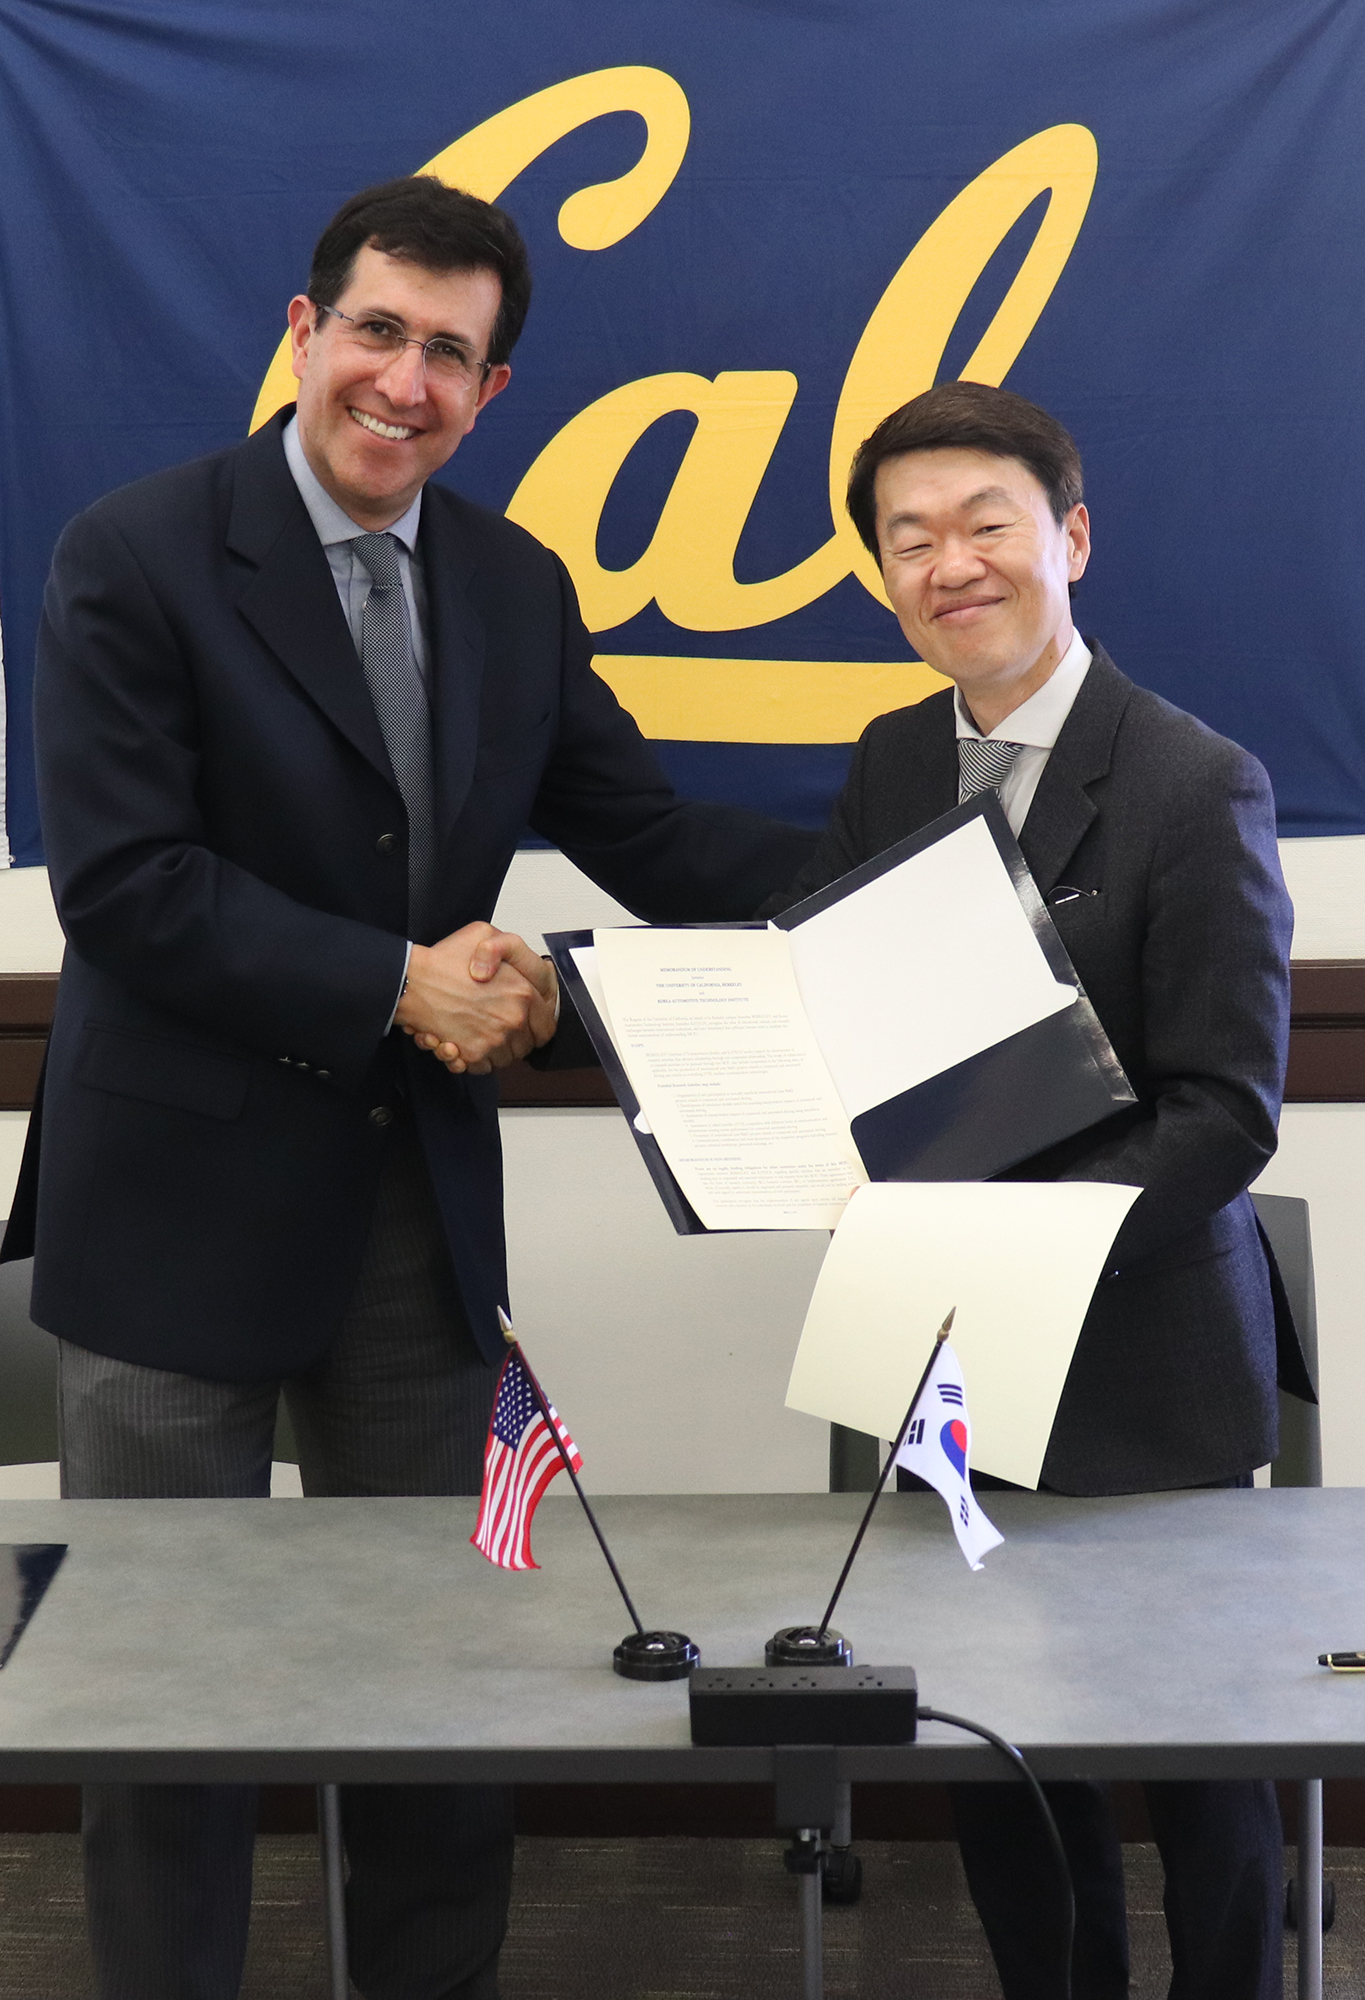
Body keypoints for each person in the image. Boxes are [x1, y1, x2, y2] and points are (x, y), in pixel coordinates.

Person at [0, 176, 813, 2000]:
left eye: (452, 354)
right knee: (158, 1697)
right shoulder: (128, 552)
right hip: (170, 1223)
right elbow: (123, 885)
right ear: (303, 335)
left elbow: (650, 830)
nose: (406, 380)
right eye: (377, 331)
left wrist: (915, 866)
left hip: (408, 1224)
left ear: (491, 392)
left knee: (437, 1683)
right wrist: (392, 979)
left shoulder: (519, 588)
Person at [769, 380, 1309, 2000]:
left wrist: (1027, 1252)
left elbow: (1225, 1110)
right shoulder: (884, 763)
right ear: (880, 576)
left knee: (1199, 1774)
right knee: (1000, 1748)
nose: (949, 565)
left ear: (1067, 537)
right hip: (947, 1368)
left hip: (1147, 1358)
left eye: (983, 524)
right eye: (907, 539)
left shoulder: (1190, 778)